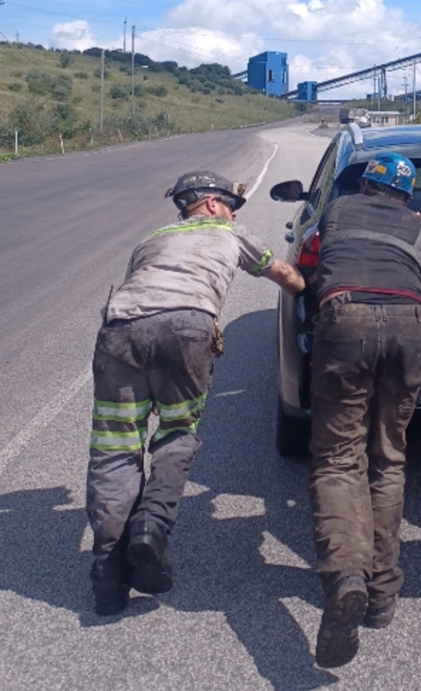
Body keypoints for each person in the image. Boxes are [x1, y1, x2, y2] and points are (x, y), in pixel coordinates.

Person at [87, 171, 305, 616]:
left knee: (115, 448)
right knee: (176, 433)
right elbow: (280, 272)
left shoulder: (151, 239)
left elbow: (137, 283)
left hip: (119, 330)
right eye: (230, 204)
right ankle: (152, 525)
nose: (233, 212)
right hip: (186, 328)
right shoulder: (228, 232)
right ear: (210, 204)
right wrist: (307, 287)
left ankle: (108, 578)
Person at [308, 153, 421, 669]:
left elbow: (324, 250)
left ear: (368, 185)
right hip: (409, 326)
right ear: (408, 196)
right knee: (389, 456)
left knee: (338, 457)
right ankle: (383, 593)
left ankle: (347, 574)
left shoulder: (340, 209)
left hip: (345, 318)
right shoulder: (420, 230)